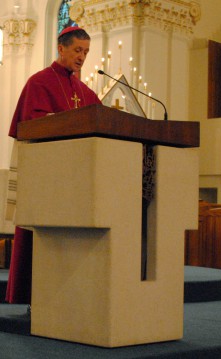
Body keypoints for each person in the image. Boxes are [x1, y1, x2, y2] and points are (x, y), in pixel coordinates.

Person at [6, 26, 102, 304]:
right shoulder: (39, 82)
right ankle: (35, 299)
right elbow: (32, 126)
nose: (82, 56)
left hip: (78, 182)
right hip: (47, 181)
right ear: (61, 48)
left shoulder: (85, 92)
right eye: (77, 50)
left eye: (86, 51)